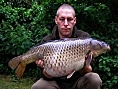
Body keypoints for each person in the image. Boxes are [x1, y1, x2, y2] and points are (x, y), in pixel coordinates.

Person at [31, 4, 102, 89]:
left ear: (74, 21)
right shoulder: (47, 42)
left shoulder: (85, 39)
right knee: (38, 86)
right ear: (56, 20)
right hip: (56, 82)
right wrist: (45, 67)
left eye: (69, 19)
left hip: (78, 81)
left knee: (94, 79)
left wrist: (83, 64)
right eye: (62, 19)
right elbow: (46, 76)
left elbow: (88, 71)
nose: (65, 23)